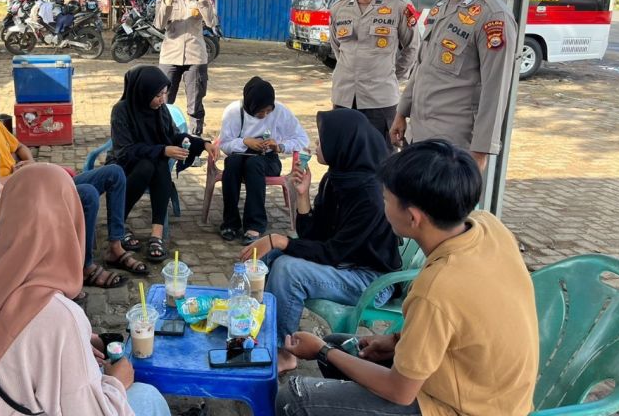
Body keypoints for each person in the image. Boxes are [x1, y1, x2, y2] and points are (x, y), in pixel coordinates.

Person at [275, 140, 539, 416]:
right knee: (343, 346)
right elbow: (459, 321)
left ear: (413, 217)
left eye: (386, 199)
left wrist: (321, 351)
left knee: (293, 397)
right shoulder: (488, 226)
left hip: (466, 409)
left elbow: (400, 391)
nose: (382, 205)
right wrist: (395, 340)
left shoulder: (437, 288)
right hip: (487, 388)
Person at [0, 163, 171, 416]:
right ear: (71, 220)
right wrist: (117, 383)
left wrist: (77, 342)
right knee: (147, 397)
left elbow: (6, 337)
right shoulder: (59, 316)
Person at [0, 68, 142, 286]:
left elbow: (20, 147)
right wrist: (17, 177)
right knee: (86, 194)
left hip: (36, 183)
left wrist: (29, 161)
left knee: (114, 173)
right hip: (18, 199)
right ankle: (83, 266)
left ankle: (115, 247)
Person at [239, 109, 400, 373]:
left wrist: (280, 240)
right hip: (345, 263)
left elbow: (333, 252)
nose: (317, 144)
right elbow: (313, 238)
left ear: (342, 144)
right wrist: (302, 197)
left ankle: (284, 352)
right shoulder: (338, 178)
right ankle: (255, 327)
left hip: (370, 278)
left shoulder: (370, 196)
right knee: (271, 257)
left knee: (288, 269)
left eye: (323, 139)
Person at [390, 0, 518, 172]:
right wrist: (401, 112)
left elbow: (495, 91)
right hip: (419, 136)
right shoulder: (443, 6)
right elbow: (422, 66)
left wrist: (479, 154)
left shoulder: (493, 17)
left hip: (453, 150)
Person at [108, 65, 217, 263]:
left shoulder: (161, 110)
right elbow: (125, 150)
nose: (162, 99)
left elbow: (174, 136)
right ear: (142, 92)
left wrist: (203, 143)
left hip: (152, 162)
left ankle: (156, 234)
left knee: (158, 165)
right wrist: (162, 150)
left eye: (164, 94)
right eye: (157, 95)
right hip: (123, 164)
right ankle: (118, 225)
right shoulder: (121, 111)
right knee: (149, 165)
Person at [327, 0, 419, 150]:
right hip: (344, 99)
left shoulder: (399, 6)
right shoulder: (338, 8)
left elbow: (412, 48)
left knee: (381, 159)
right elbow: (337, 48)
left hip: (381, 101)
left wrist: (391, 75)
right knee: (343, 157)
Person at [218, 76, 309, 244]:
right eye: (260, 111)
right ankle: (230, 222)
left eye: (268, 111)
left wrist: (279, 146)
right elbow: (224, 144)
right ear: (250, 104)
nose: (264, 115)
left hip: (268, 160)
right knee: (231, 163)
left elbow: (302, 139)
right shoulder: (234, 111)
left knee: (254, 164)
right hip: (241, 156)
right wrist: (245, 142)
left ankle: (255, 225)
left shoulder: (281, 111)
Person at [154, 0, 218, 135]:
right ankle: (164, 137)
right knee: (163, 100)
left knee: (195, 103)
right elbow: (159, 24)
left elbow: (212, 22)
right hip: (170, 56)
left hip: (195, 56)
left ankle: (195, 138)